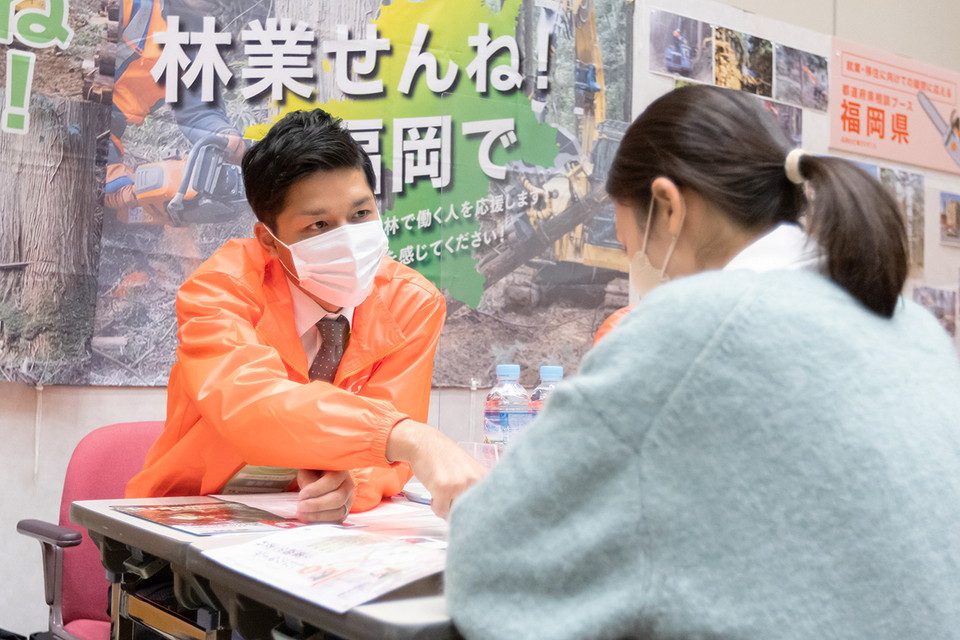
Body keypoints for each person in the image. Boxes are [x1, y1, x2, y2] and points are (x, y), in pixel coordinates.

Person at [445, 84, 960, 639]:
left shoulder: (694, 324)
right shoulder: (913, 326)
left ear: (667, 207)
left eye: (624, 245)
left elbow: (489, 561)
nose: (629, 264)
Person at [127, 108, 485, 520]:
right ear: (270, 241)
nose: (348, 239)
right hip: (192, 514)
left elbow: (387, 458)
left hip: (320, 532)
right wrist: (407, 436)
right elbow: (250, 405)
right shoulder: (220, 290)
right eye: (318, 225)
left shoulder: (412, 303)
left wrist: (348, 486)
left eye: (361, 214)